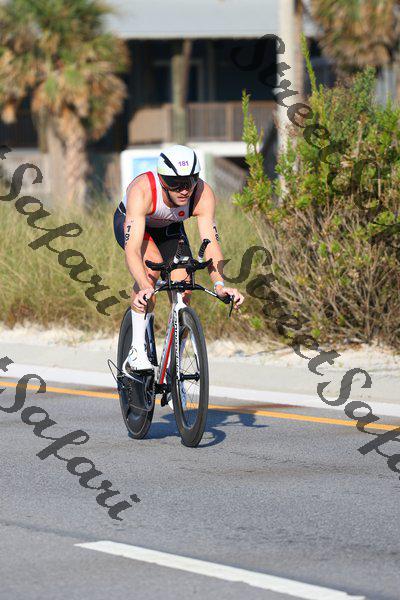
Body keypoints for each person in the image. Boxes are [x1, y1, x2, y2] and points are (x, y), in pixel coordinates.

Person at [113, 144, 244, 375]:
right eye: (175, 183)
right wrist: (144, 285)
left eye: (190, 181)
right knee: (151, 270)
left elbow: (211, 244)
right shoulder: (142, 190)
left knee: (185, 287)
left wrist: (220, 284)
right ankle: (136, 350)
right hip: (135, 227)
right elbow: (132, 250)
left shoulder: (202, 193)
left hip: (170, 229)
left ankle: (175, 366)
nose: (184, 190)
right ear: (162, 179)